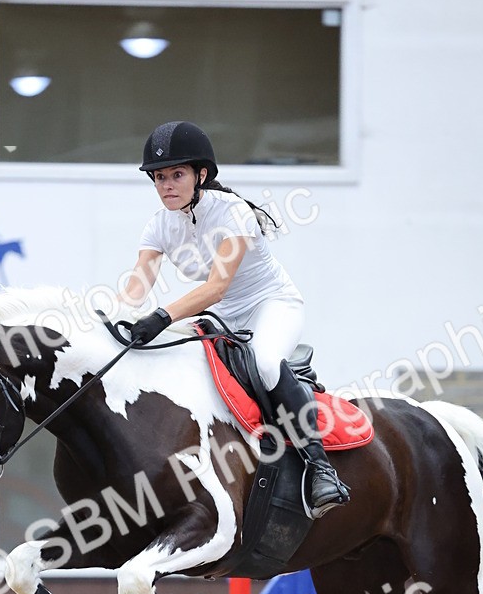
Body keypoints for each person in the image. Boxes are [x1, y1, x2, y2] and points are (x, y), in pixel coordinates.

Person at [119, 120, 350, 519]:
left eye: (176, 175)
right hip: (220, 315)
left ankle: (320, 469)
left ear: (201, 175)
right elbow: (139, 283)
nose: (166, 185)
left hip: (270, 304)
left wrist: (160, 316)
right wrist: (116, 320)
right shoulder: (159, 224)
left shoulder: (233, 212)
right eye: (159, 178)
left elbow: (217, 286)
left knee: (263, 362)